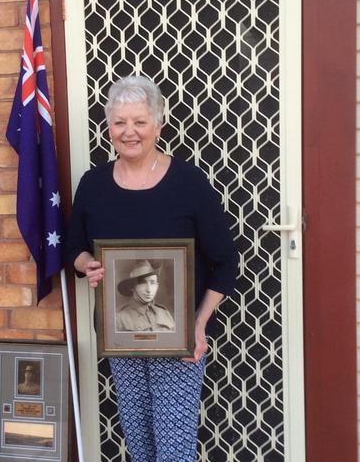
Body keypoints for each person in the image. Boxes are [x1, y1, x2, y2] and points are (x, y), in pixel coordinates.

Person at [65, 75, 238, 461]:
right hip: (121, 338)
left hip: (178, 344)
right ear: (108, 127)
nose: (130, 132)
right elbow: (74, 248)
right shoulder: (93, 185)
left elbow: (225, 261)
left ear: (158, 125)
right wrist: (87, 264)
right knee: (140, 449)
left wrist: (198, 324)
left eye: (140, 122)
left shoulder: (189, 183)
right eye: (120, 122)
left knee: (174, 453)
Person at [116, 260, 175, 332]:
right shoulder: (119, 318)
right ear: (132, 287)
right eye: (143, 283)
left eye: (153, 282)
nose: (149, 290)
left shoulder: (165, 313)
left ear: (157, 285)